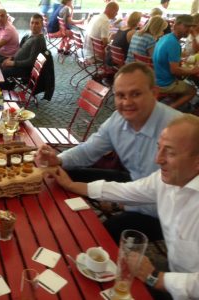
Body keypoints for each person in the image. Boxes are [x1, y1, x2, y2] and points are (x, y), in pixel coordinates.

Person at [47, 114, 199, 300]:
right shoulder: (167, 179)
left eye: (171, 152)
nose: (158, 160)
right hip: (175, 276)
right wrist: (71, 185)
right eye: (159, 148)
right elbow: (124, 190)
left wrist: (156, 279)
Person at [36, 62, 181, 243]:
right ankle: (48, 227)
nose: (126, 103)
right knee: (64, 174)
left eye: (136, 94)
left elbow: (165, 195)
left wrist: (119, 202)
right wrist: (57, 160)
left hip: (167, 209)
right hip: (132, 182)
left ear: (154, 93)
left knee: (111, 228)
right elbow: (89, 150)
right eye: (120, 95)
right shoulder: (118, 119)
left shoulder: (176, 130)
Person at [153, 14, 199, 109]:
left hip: (156, 78)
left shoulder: (166, 37)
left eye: (191, 26)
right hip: (165, 84)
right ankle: (170, 109)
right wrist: (193, 70)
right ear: (176, 24)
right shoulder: (173, 43)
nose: (189, 29)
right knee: (193, 90)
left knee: (186, 81)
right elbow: (174, 70)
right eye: (186, 26)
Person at [0, 13, 47, 89]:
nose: (34, 25)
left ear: (42, 25)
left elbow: (31, 62)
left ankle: (8, 89)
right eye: (32, 23)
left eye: (37, 23)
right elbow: (19, 50)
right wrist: (11, 58)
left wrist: (13, 63)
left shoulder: (38, 40)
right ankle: (7, 86)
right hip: (17, 63)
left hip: (25, 69)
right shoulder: (29, 35)